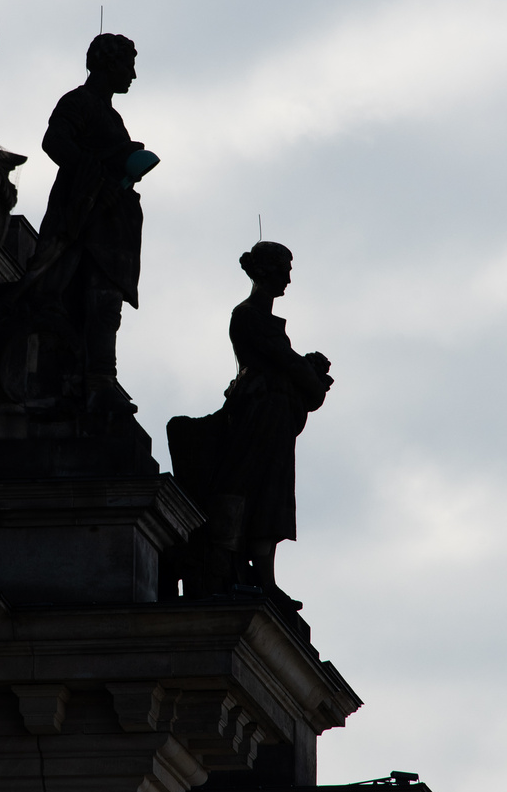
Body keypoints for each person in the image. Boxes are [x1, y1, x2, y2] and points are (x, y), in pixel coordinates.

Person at [171, 241, 332, 597]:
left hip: (275, 415)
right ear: (264, 271)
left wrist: (308, 379)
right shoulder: (247, 315)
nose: (288, 277)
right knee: (247, 486)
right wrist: (310, 379)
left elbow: (292, 368)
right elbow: (286, 362)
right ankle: (226, 563)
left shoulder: (264, 320)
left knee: (271, 494)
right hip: (256, 413)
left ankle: (265, 577)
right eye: (283, 268)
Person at [20, 33, 156, 413]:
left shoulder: (111, 115)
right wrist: (99, 176)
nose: (132, 74)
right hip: (84, 218)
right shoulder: (78, 101)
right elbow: (54, 143)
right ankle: (96, 378)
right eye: (127, 64)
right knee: (92, 299)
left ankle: (99, 376)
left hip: (109, 222)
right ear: (106, 64)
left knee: (105, 302)